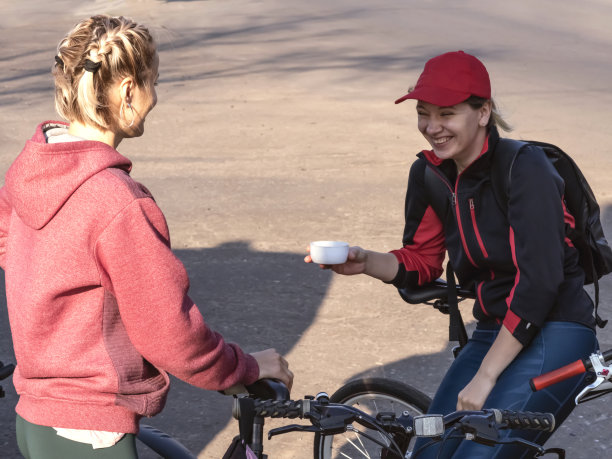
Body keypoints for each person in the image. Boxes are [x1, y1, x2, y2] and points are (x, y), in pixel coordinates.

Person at [0, 15, 292, 459]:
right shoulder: (118, 202)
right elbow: (170, 334)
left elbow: (12, 247)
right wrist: (246, 367)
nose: (155, 98)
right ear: (129, 91)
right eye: (154, 82)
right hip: (93, 432)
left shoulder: (30, 169)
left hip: (37, 421)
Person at [306, 50, 598, 458]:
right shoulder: (430, 174)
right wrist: (365, 261)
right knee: (428, 450)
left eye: (447, 114)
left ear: (483, 113)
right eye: (424, 113)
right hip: (495, 328)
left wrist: (485, 376)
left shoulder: (525, 168)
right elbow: (421, 261)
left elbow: (539, 284)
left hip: (557, 328)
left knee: (479, 450)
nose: (432, 127)